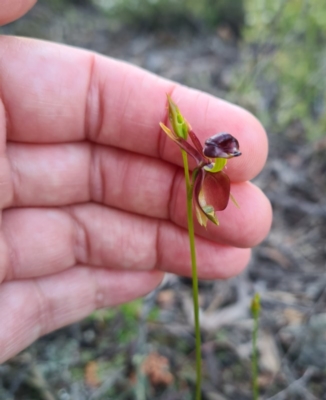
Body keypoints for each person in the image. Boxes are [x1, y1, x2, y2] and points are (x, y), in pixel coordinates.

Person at [0, 0, 272, 364]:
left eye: (223, 157)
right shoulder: (201, 163)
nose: (222, 160)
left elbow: (212, 175)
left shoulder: (209, 169)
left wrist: (207, 180)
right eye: (220, 156)